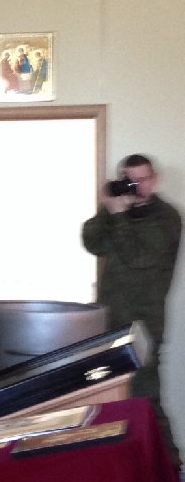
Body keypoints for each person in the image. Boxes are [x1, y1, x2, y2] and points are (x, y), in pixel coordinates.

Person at [82, 153, 182, 465]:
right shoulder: (117, 210)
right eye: (130, 180)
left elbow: (138, 258)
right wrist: (107, 208)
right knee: (109, 397)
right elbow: (92, 242)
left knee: (144, 396)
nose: (137, 186)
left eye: (143, 179)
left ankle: (171, 469)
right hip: (110, 320)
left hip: (143, 325)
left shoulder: (167, 218)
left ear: (155, 180)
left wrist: (119, 216)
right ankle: (127, 469)